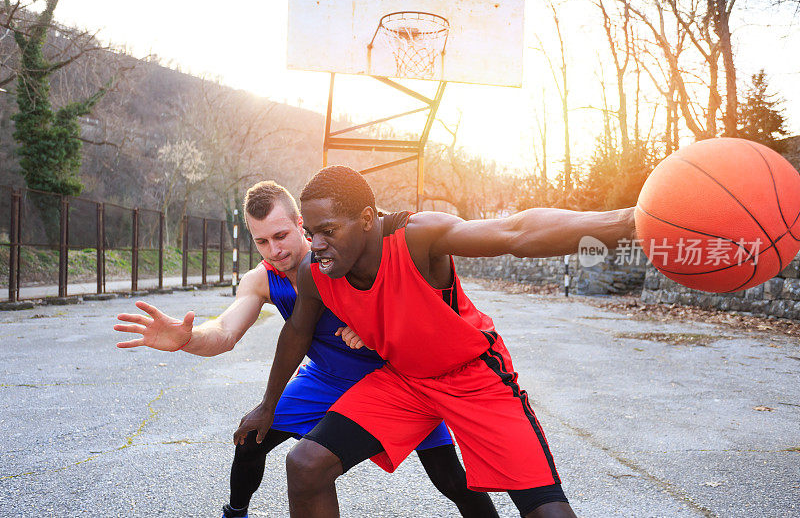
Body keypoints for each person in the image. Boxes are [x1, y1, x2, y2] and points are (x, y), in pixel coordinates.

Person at [235, 166, 638, 518]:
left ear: (366, 219)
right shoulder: (316, 272)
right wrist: (267, 405)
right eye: (311, 233)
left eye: (328, 231)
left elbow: (516, 231)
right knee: (306, 465)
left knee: (545, 510)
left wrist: (628, 222)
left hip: (473, 378)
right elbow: (297, 332)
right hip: (404, 381)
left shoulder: (417, 237)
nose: (317, 244)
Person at [114, 180, 499, 518]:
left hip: (392, 380)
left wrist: (378, 325)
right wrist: (188, 338)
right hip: (324, 379)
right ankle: (235, 513)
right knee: (250, 438)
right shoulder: (261, 279)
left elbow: (419, 296)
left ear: (301, 225)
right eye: (261, 241)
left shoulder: (346, 255)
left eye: (281, 236)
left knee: (451, 479)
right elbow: (225, 331)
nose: (274, 250)